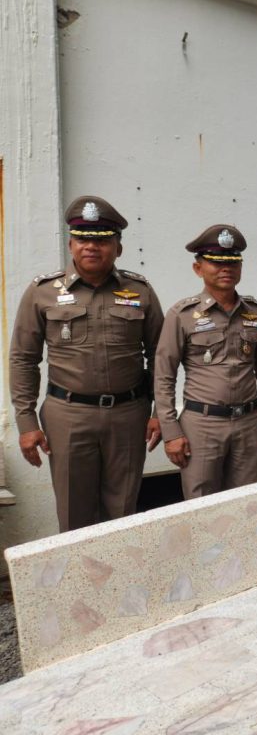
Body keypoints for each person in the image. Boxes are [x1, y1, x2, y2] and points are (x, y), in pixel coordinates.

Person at [9, 195, 163, 531]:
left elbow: (160, 357)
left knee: (122, 512)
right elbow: (23, 359)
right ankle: (78, 569)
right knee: (74, 512)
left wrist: (159, 412)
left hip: (128, 415)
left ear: (118, 248)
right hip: (68, 416)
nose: (91, 246)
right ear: (71, 245)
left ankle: (118, 567)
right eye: (82, 239)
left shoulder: (141, 291)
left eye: (102, 240)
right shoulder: (42, 292)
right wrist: (26, 422)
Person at [154, 226, 257, 499]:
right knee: (202, 504)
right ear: (198, 268)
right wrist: (171, 430)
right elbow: (164, 376)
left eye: (233, 262)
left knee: (247, 501)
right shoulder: (182, 315)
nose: (226, 268)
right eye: (217, 262)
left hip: (249, 423)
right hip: (202, 425)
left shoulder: (254, 312)